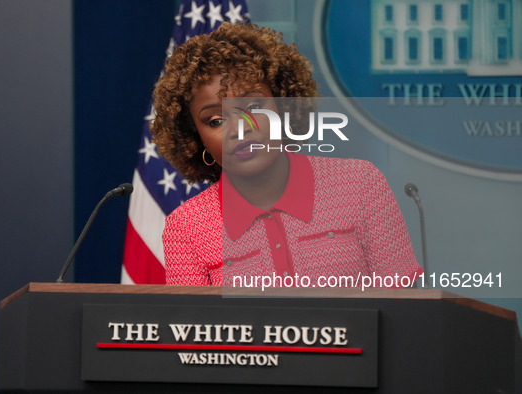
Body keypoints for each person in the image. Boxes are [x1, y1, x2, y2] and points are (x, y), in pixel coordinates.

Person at [150, 22, 422, 287]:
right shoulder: (185, 227)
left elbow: (405, 317)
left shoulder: (360, 184)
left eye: (254, 106)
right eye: (215, 121)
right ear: (195, 138)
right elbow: (191, 330)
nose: (240, 129)